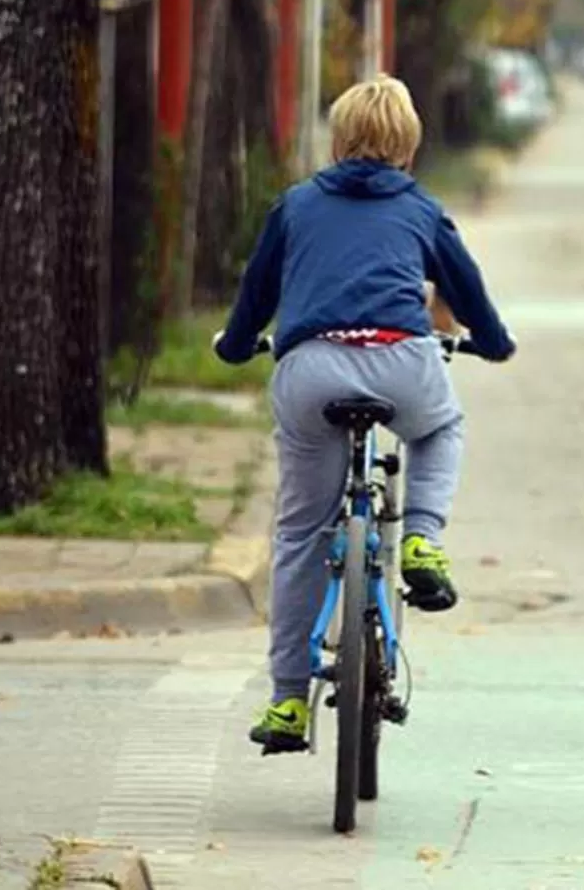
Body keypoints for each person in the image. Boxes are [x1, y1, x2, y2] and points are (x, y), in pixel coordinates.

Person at [215, 75, 516, 752]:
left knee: (299, 534)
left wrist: (236, 348)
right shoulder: (422, 208)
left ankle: (290, 700)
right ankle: (421, 537)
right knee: (440, 428)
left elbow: (255, 295)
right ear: (408, 147)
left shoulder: (295, 205)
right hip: (402, 362)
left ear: (338, 140)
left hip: (312, 368)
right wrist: (492, 343)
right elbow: (466, 291)